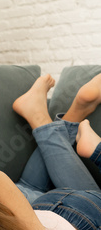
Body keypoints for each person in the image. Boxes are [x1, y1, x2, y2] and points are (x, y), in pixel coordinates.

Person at [12, 73, 101, 203]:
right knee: (93, 208)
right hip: (11, 198)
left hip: (8, 199)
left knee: (27, 189)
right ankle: (74, 113)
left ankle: (41, 117)